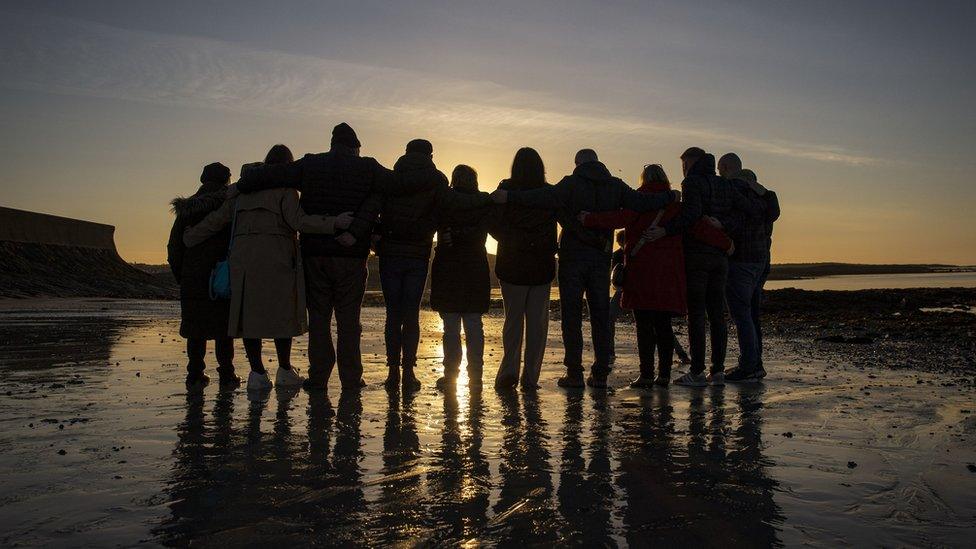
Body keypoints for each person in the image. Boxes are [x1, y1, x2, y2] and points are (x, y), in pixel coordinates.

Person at [490, 149, 679, 389]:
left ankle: (575, 373)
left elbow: (542, 197)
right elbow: (642, 202)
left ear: (578, 163)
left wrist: (509, 197)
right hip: (600, 260)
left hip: (572, 260)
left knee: (572, 317)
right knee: (600, 316)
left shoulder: (570, 184)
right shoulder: (615, 185)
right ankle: (600, 374)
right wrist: (669, 196)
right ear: (598, 162)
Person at [233, 123, 399, 393]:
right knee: (349, 322)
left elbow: (275, 174)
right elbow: (397, 185)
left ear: (333, 144)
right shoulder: (367, 168)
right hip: (350, 257)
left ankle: (319, 377)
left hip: (315, 256)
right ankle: (350, 378)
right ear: (355, 147)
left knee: (320, 320)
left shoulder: (311, 164)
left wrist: (245, 181)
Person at [184, 145, 348, 391]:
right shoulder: (286, 190)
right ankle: (284, 369)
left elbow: (217, 221)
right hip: (278, 260)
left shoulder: (242, 191)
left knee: (250, 318)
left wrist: (190, 237)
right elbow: (299, 221)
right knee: (281, 317)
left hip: (245, 263)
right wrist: (335, 223)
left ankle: (257, 373)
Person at [582, 164, 732, 387]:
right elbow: (698, 226)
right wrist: (727, 243)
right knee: (663, 325)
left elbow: (617, 219)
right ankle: (663, 375)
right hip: (669, 275)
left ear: (643, 180)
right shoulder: (675, 206)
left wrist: (588, 219)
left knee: (644, 327)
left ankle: (646, 375)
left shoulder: (638, 202)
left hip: (641, 273)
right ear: (665, 180)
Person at [642, 148, 765, 387]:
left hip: (697, 255)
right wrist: (724, 226)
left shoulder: (692, 183)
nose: (683, 169)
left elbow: (691, 216)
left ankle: (698, 372)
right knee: (717, 314)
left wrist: (665, 230)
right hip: (720, 257)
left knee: (697, 315)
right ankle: (717, 370)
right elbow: (748, 213)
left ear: (691, 162)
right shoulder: (725, 184)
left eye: (684, 164)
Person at [375, 139, 490, 392]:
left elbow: (376, 208)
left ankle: (397, 372)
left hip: (394, 255)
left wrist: (376, 239)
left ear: (406, 153)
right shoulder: (436, 182)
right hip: (421, 256)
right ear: (430, 155)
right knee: (418, 316)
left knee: (394, 315)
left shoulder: (390, 179)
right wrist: (485, 199)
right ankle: (469, 376)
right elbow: (453, 207)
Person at [484, 147, 558, 391]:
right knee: (538, 325)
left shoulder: (505, 190)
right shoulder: (548, 193)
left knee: (513, 321)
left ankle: (508, 373)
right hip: (541, 265)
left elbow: (492, 224)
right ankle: (530, 378)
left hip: (512, 264)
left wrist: (512, 241)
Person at [168, 162, 239, 389]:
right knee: (223, 330)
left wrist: (182, 275)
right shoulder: (229, 207)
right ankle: (227, 374)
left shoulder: (186, 210)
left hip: (192, 278)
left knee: (194, 330)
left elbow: (174, 248)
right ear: (226, 181)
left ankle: (195, 374)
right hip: (222, 277)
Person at [718, 159, 780, 383]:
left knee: (742, 314)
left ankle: (748, 365)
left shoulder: (737, 194)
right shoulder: (766, 200)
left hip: (741, 260)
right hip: (761, 262)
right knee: (751, 315)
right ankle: (755, 363)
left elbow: (736, 222)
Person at [429, 165, 491, 390]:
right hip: (475, 267)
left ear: (453, 180)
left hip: (448, 268)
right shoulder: (484, 203)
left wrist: (451, 235)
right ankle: (476, 375)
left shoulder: (444, 202)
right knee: (474, 324)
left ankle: (451, 375)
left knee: (451, 327)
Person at [608, 230, 627, 365]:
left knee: (609, 318)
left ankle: (610, 352)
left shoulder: (617, 255)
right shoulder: (635, 251)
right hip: (633, 290)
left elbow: (614, 277)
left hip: (621, 291)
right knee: (656, 321)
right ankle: (682, 353)